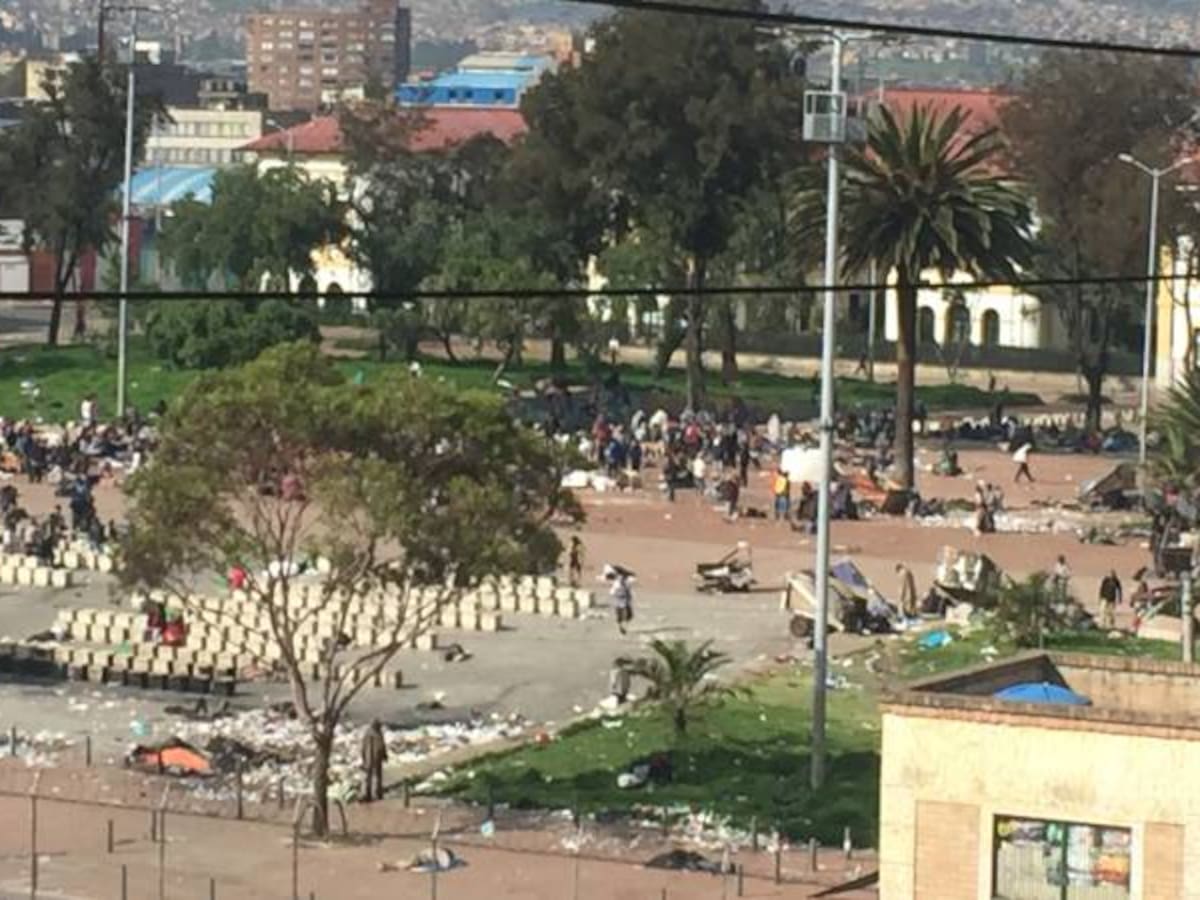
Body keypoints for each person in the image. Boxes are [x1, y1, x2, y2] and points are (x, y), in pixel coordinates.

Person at [361, 719, 387, 802]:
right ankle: (373, 794)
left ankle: (370, 794)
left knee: (370, 777)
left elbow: (363, 748)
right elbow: (381, 746)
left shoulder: (369, 734)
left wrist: (363, 757)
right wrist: (384, 755)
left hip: (371, 758)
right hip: (374, 758)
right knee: (375, 777)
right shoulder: (376, 734)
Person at [606, 564, 634, 635]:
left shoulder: (624, 582)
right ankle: (622, 627)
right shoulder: (618, 583)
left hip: (623, 601)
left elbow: (612, 592)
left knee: (627, 615)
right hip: (620, 601)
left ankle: (623, 627)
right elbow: (612, 592)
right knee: (623, 615)